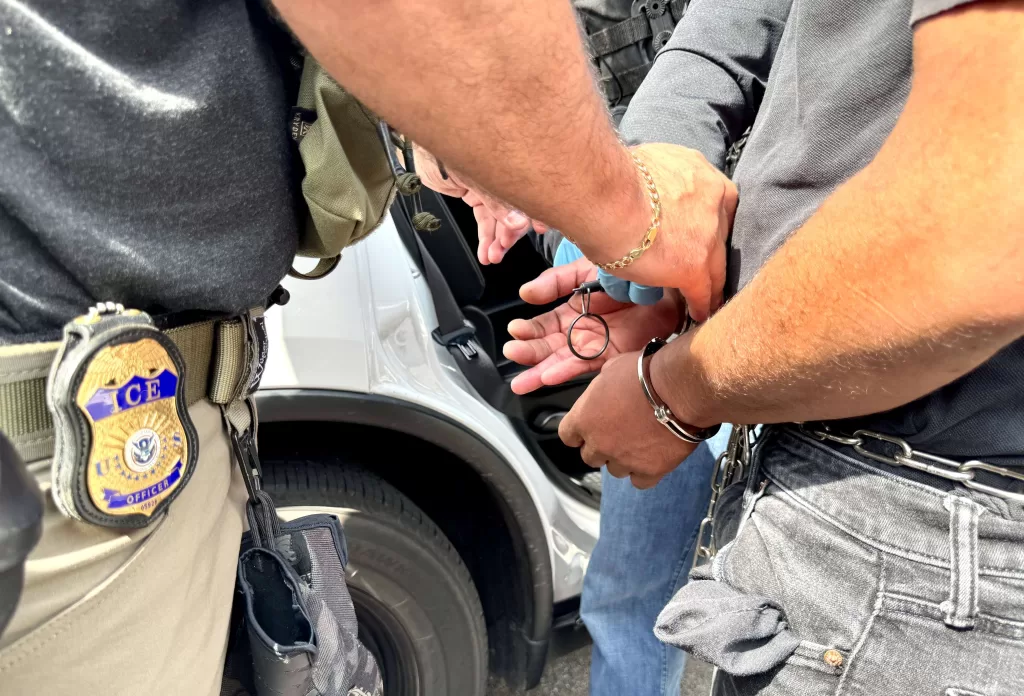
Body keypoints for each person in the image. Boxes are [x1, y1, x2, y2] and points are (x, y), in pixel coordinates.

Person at [0, 0, 740, 694]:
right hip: (81, 433)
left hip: (120, 411)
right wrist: (621, 211)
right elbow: (443, 19)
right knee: (633, 589)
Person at [504, 0, 1024, 693]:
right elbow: (731, 32)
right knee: (628, 595)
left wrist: (673, 394)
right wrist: (656, 234)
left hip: (936, 526)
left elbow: (979, 225)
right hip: (796, 427)